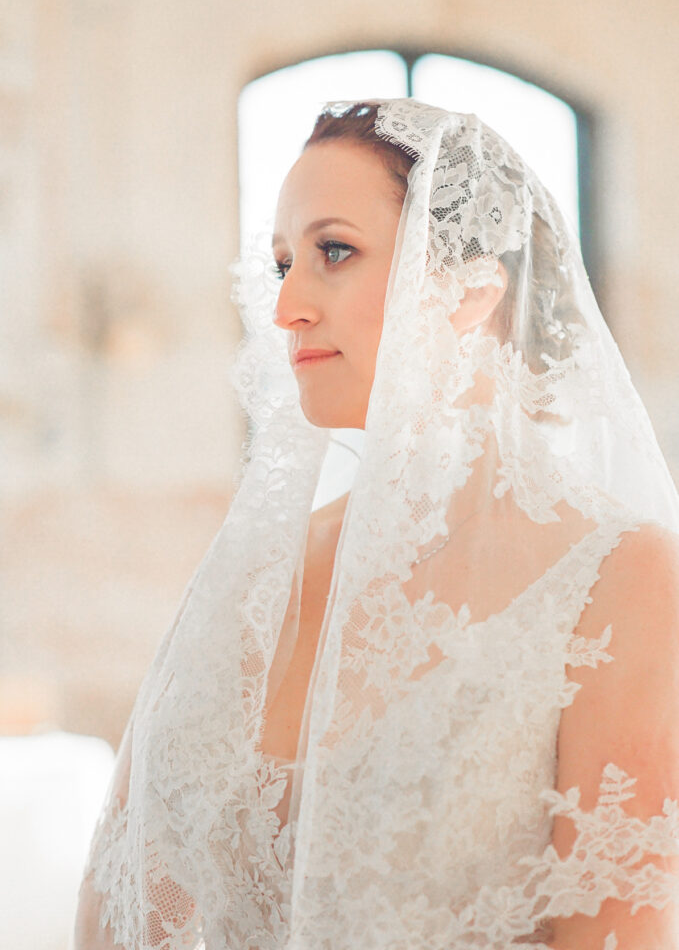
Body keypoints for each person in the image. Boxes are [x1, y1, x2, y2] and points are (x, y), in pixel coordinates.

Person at [74, 97, 679, 949]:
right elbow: (126, 897)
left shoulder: (616, 573)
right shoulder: (258, 572)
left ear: (467, 290)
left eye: (333, 251)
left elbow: (614, 930)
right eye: (282, 263)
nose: (286, 306)